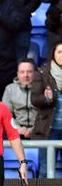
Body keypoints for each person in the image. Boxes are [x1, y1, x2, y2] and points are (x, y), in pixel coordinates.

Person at [31, 41, 62, 178]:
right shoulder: (42, 73)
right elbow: (35, 100)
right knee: (45, 169)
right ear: (53, 54)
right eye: (59, 52)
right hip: (49, 129)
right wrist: (47, 99)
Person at [2, 58, 39, 140]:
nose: (26, 75)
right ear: (18, 74)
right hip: (16, 130)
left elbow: (45, 115)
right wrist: (18, 129)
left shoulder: (42, 88)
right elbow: (7, 115)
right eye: (22, 72)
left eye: (29, 72)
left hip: (39, 131)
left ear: (36, 73)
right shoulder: (10, 89)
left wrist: (34, 129)